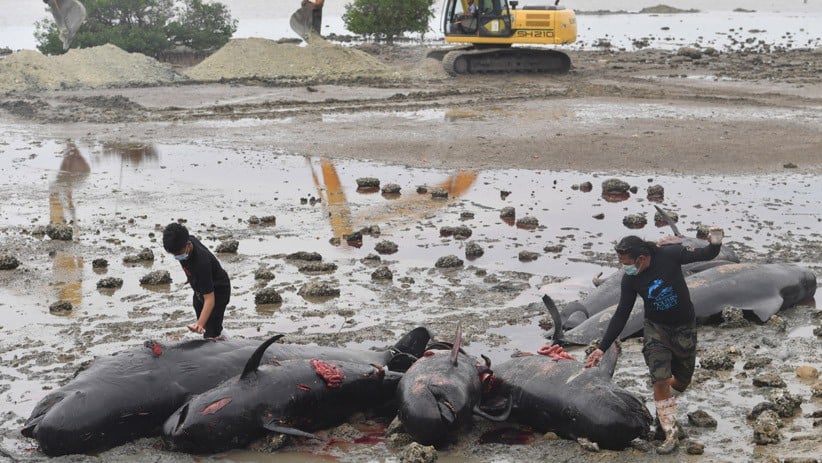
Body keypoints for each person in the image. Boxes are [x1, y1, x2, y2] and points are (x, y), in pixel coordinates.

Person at [584, 227, 724, 454]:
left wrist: (715, 243)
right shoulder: (630, 280)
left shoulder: (669, 255)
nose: (624, 268)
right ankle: (670, 432)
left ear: (641, 258)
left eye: (626, 262)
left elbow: (705, 255)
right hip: (655, 329)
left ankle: (663, 406)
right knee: (659, 380)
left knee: (681, 382)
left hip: (684, 327)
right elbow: (622, 313)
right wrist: (602, 348)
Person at [163, 223, 231, 339]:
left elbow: (210, 300)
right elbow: (187, 263)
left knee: (210, 332)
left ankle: (221, 338)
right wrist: (190, 277)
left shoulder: (201, 263)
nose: (177, 257)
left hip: (218, 290)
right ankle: (216, 333)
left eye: (179, 254)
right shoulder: (184, 243)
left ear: (188, 245)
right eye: (174, 255)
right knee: (202, 315)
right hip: (200, 287)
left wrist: (199, 324)